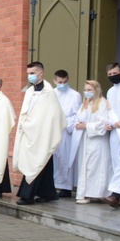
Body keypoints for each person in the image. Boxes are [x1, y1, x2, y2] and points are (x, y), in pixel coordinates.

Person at [13, 62, 66, 205]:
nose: (29, 76)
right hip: (29, 133)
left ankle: (27, 195)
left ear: (41, 73)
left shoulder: (48, 93)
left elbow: (52, 116)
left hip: (42, 134)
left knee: (37, 162)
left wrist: (32, 126)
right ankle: (49, 193)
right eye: (28, 73)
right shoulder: (30, 91)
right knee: (43, 162)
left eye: (32, 73)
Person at [73, 81, 111, 204]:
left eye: (89, 89)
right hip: (86, 139)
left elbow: (103, 123)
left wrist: (86, 126)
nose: (87, 92)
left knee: (95, 166)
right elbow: (78, 117)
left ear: (96, 90)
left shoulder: (102, 103)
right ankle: (85, 193)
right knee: (86, 166)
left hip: (97, 141)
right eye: (85, 89)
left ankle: (96, 193)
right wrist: (78, 124)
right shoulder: (85, 104)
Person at [53, 70, 83, 198]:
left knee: (65, 157)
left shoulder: (75, 95)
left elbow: (77, 114)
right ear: (55, 81)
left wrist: (66, 122)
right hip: (53, 129)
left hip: (66, 129)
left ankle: (66, 187)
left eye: (65, 82)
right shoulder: (51, 94)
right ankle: (53, 185)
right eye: (60, 82)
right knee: (54, 157)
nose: (62, 84)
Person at [102, 63, 120, 207]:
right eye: (110, 75)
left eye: (115, 73)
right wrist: (108, 123)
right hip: (116, 132)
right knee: (117, 162)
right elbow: (110, 112)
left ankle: (115, 195)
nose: (113, 76)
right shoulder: (111, 91)